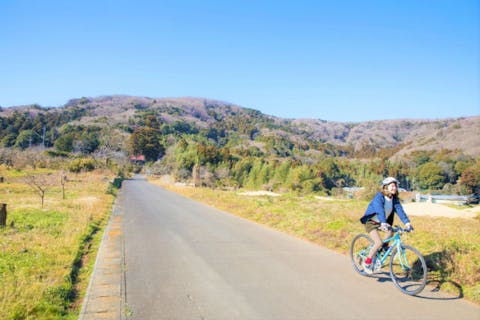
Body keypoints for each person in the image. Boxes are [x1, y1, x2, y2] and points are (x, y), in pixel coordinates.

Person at [359, 177, 414, 274]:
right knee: (378, 242)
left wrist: (407, 223)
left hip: (382, 222)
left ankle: (381, 251)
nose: (394, 188)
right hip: (371, 222)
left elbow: (400, 211)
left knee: (390, 231)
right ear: (385, 187)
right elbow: (379, 209)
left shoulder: (394, 199)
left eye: (395, 186)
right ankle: (367, 262)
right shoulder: (379, 197)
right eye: (392, 186)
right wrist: (383, 222)